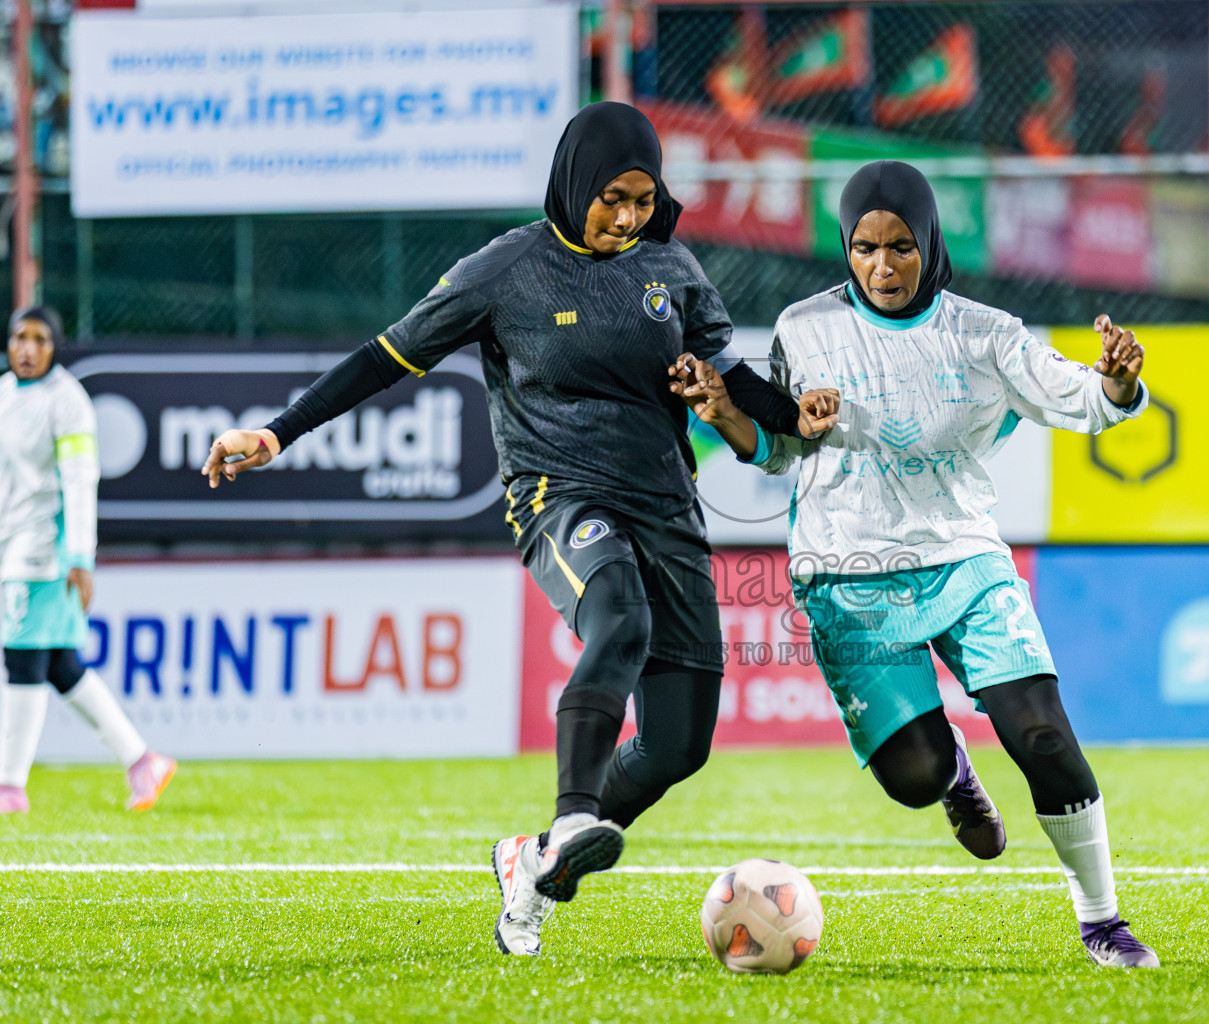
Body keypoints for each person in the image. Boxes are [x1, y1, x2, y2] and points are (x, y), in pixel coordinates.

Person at [196, 103, 835, 957]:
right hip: (559, 497)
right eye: (613, 197)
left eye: (644, 200)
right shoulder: (505, 269)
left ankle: (531, 862)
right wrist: (278, 433)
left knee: (679, 745)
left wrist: (793, 412)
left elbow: (730, 375)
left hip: (667, 506)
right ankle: (572, 821)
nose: (628, 217)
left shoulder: (670, 267)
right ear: (575, 183)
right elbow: (384, 358)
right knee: (620, 618)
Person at [672, 160, 1160, 968]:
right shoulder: (805, 327)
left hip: (963, 559)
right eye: (864, 248)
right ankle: (955, 773)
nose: (883, 266)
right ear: (845, 247)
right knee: (914, 774)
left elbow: (1079, 396)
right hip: (846, 574)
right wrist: (726, 414)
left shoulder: (985, 333)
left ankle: (1102, 921)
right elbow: (781, 448)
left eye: (901, 246)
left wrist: (1113, 383)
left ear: (930, 243)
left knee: (1041, 732)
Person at [0, 305, 177, 814]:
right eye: (20, 337)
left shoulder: (67, 401)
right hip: (13, 546)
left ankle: (9, 787)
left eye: (40, 339)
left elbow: (80, 482)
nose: (28, 349)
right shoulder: (6, 393)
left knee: (23, 657)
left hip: (43, 552)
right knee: (60, 664)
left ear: (55, 347)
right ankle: (142, 761)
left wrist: (80, 556)